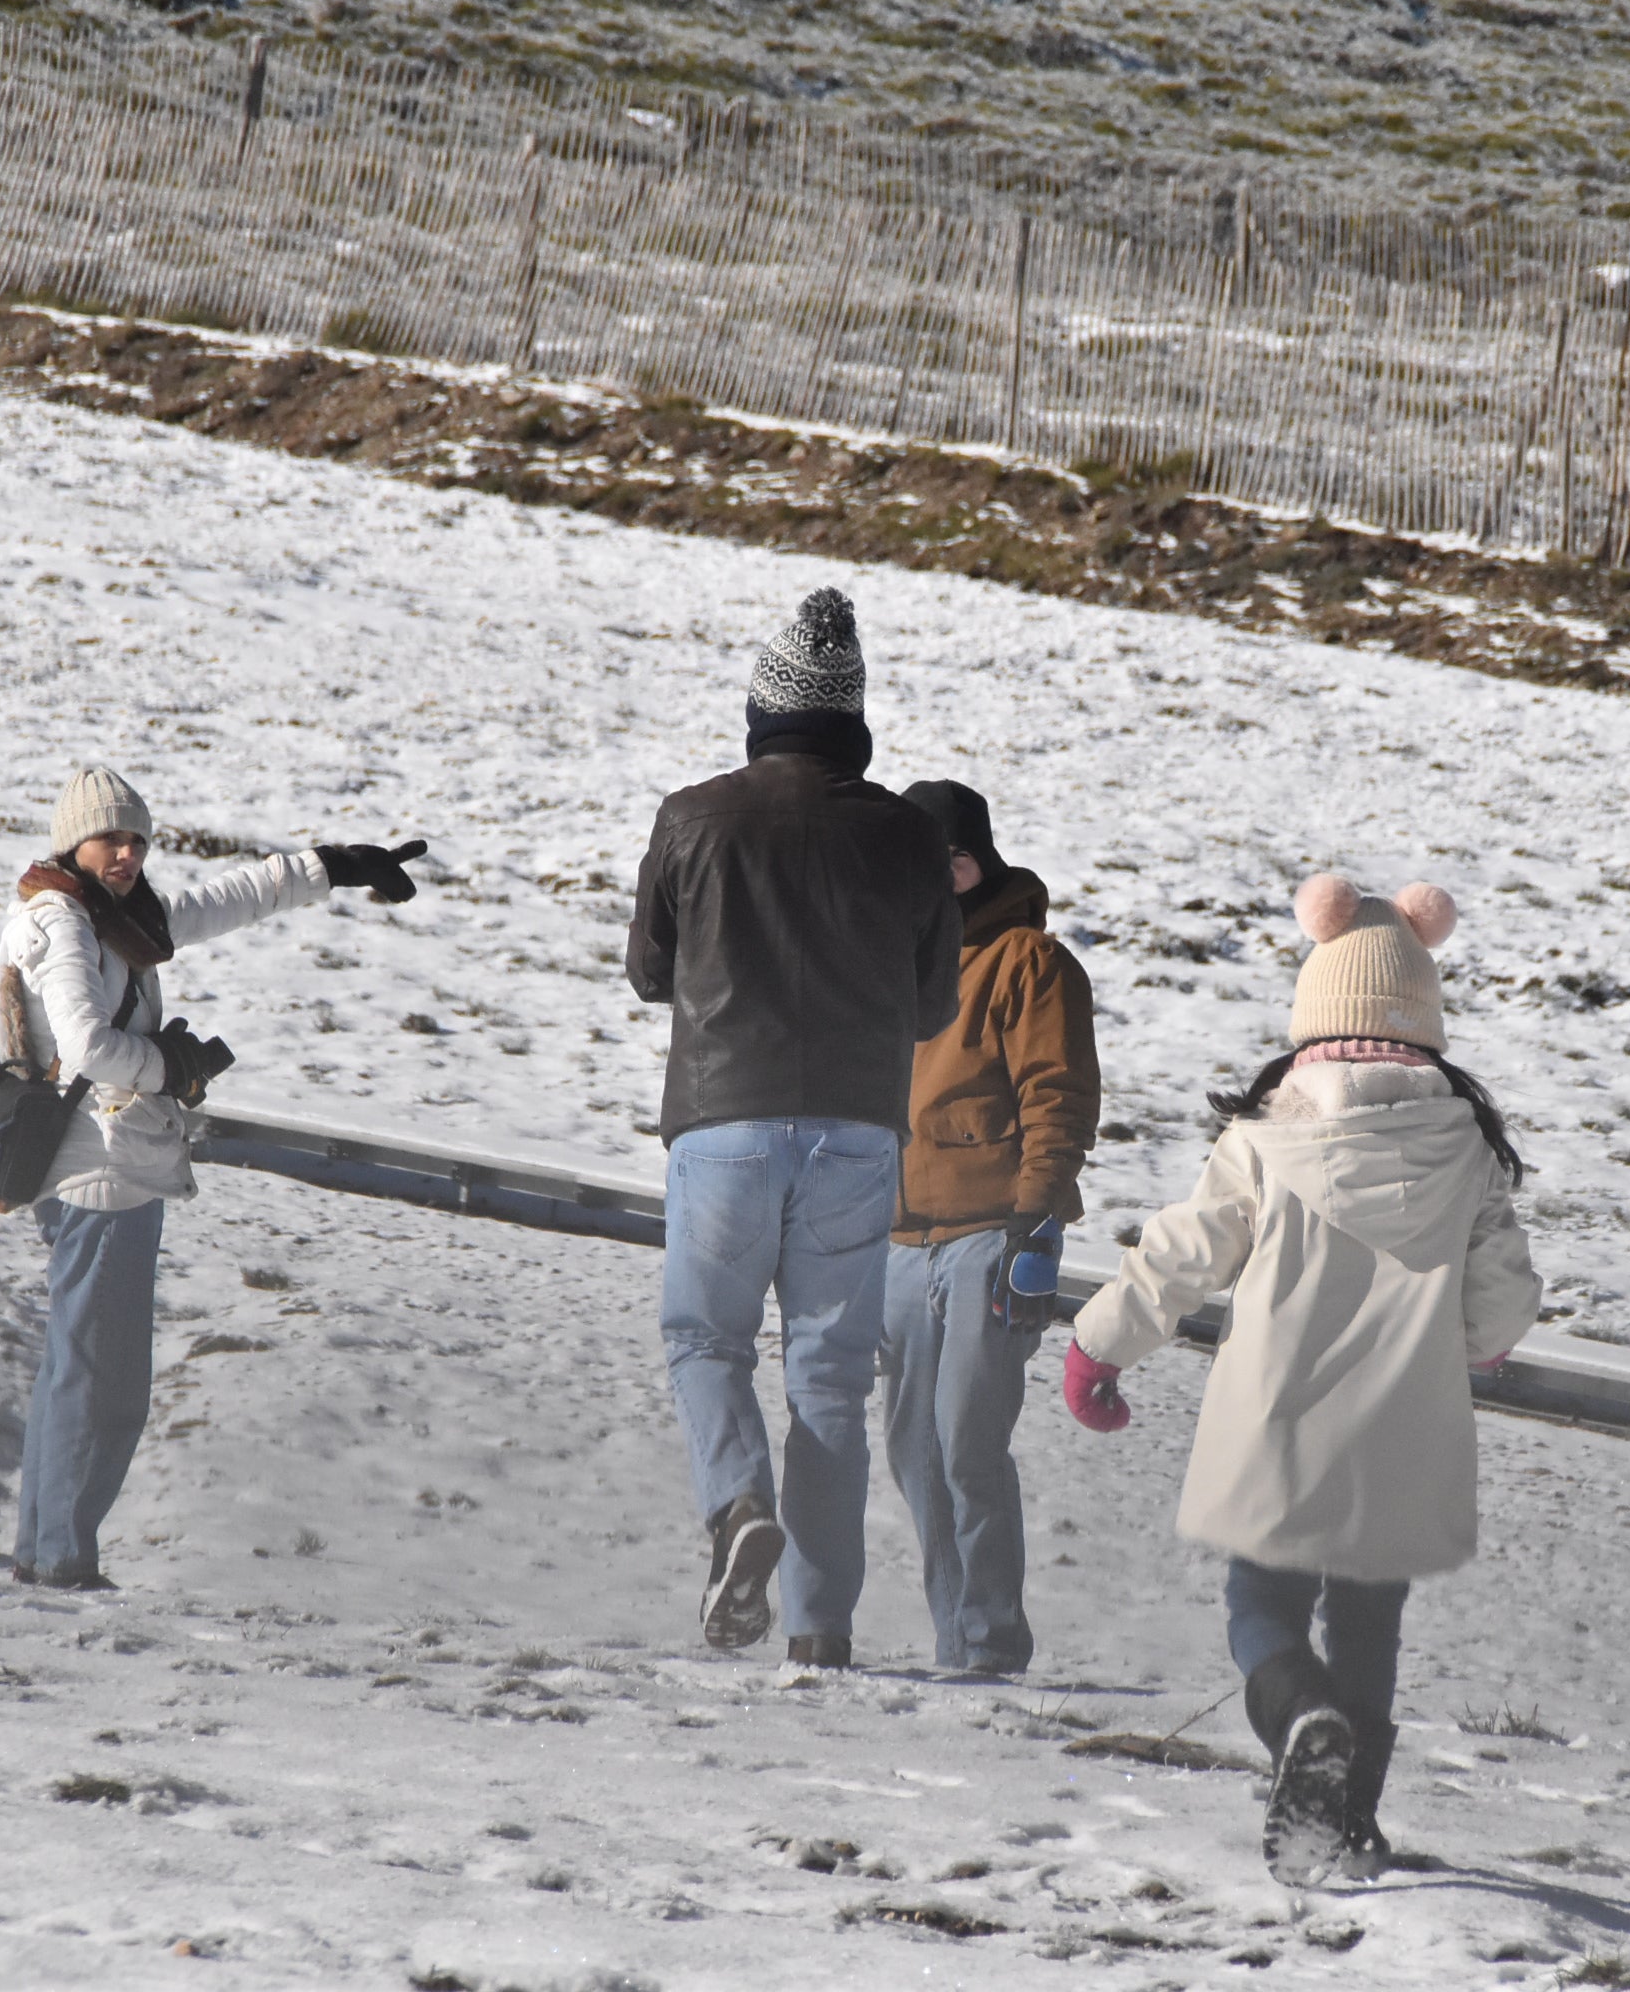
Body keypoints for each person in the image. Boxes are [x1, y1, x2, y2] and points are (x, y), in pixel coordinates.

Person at [1063, 874, 1541, 1885]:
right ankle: (1349, 1816)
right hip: (1406, 1427)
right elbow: (1499, 1295)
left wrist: (1100, 1343)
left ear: (1313, 1009)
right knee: (1369, 1621)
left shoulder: (1267, 1133)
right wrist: (1477, 1346)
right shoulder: (1465, 1146)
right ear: (1423, 1019)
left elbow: (1184, 1252)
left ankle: (1296, 1712)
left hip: (1275, 1419)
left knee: (1261, 1607)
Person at [0, 763, 429, 1590]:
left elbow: (225, 901)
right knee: (104, 1381)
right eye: (110, 837)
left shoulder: (114, 917)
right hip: (100, 1170)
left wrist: (334, 865)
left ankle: (44, 1552)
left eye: (137, 839)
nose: (126, 852)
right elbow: (86, 1046)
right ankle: (60, 1562)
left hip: (107, 1160)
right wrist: (168, 1065)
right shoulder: (63, 923)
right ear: (71, 840)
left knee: (77, 1365)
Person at [627, 587, 960, 1668]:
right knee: (829, 1377)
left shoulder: (693, 815)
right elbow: (934, 1005)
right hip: (858, 1132)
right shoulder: (911, 836)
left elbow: (648, 971)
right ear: (852, 721)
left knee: (705, 1338)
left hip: (723, 1119)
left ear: (762, 711)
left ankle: (737, 1509)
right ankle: (821, 1629)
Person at [880, 781, 1099, 1677]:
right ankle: (955, 1638)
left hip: (987, 1233)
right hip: (895, 1236)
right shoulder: (890, 958)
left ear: (983, 857)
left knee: (968, 1439)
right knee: (912, 1450)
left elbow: (1060, 1093)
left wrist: (1034, 1219)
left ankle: (990, 1641)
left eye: (956, 857)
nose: (942, 876)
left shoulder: (1030, 961)